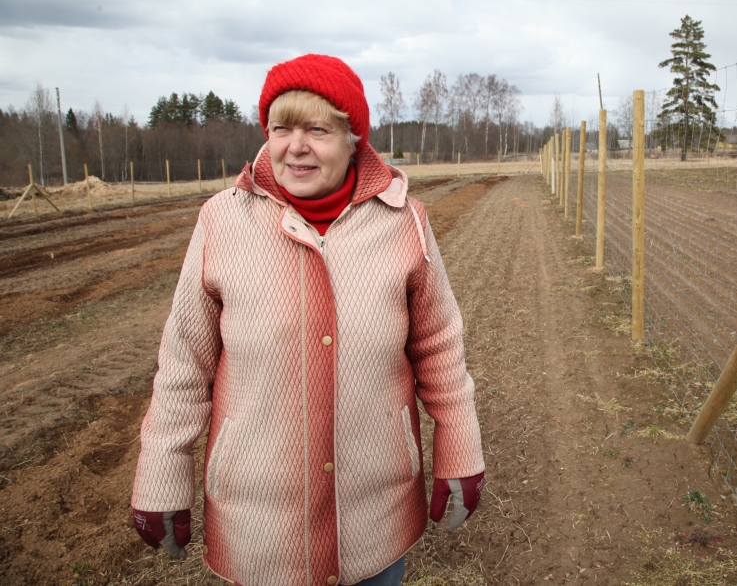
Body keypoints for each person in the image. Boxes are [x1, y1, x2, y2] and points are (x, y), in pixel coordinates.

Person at [130, 54, 485, 586]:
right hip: (258, 520)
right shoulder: (223, 220)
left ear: (353, 139)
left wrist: (459, 445)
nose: (295, 146)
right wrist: (161, 473)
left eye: (317, 129)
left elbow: (438, 346)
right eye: (281, 128)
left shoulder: (404, 222)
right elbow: (184, 362)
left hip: (375, 515)